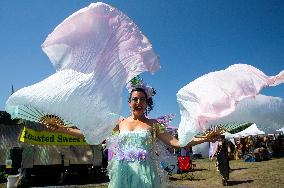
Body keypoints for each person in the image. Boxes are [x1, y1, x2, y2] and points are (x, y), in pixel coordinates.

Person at [53, 79, 221, 188]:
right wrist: (61, 129)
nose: (138, 102)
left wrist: (204, 138)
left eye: (142, 99)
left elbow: (176, 143)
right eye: (135, 99)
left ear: (147, 103)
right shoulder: (119, 123)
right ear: (129, 102)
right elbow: (93, 134)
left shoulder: (154, 124)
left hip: (145, 173)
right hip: (123, 173)